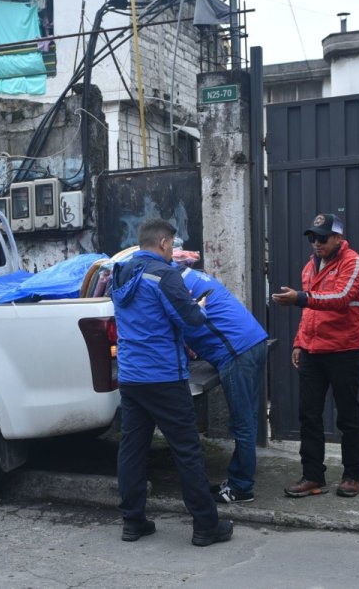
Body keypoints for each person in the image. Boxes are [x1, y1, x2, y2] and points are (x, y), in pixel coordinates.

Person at [110, 218, 234, 547]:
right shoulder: (164, 275)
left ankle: (132, 522)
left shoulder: (121, 273)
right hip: (164, 376)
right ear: (164, 243)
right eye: (173, 245)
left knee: (132, 451)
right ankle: (206, 526)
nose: (173, 250)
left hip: (132, 377)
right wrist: (199, 307)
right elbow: (191, 320)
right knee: (187, 451)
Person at [271, 213, 359, 500]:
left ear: (339, 237)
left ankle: (353, 475)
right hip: (313, 351)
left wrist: (300, 297)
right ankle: (313, 476)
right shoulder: (309, 267)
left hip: (343, 351)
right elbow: (310, 311)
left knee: (348, 417)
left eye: (322, 237)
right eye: (312, 237)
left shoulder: (354, 262)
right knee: (308, 416)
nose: (316, 243)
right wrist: (299, 343)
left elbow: (340, 299)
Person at [178, 266, 269, 504]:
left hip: (237, 352)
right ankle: (239, 477)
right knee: (247, 418)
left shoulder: (174, 285)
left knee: (242, 423)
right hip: (253, 341)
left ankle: (242, 488)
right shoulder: (192, 276)